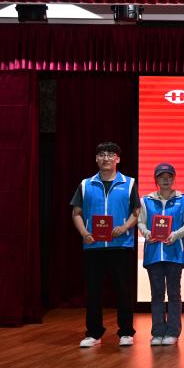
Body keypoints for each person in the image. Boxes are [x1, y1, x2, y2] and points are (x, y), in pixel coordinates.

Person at [71, 141, 140, 348]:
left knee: (123, 291)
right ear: (96, 159)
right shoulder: (86, 184)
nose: (106, 158)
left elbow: (136, 212)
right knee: (93, 291)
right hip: (94, 246)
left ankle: (126, 332)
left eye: (111, 155)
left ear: (117, 159)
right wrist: (84, 233)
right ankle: (93, 333)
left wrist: (125, 227)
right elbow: (76, 212)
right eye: (102, 154)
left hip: (121, 245)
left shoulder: (129, 183)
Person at [137, 163, 184, 346]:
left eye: (169, 176)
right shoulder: (146, 201)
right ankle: (158, 332)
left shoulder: (183, 200)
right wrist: (147, 233)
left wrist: (175, 235)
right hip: (153, 254)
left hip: (174, 254)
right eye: (161, 177)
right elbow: (141, 222)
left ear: (174, 178)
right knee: (157, 295)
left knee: (174, 294)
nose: (166, 180)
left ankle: (173, 332)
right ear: (156, 180)